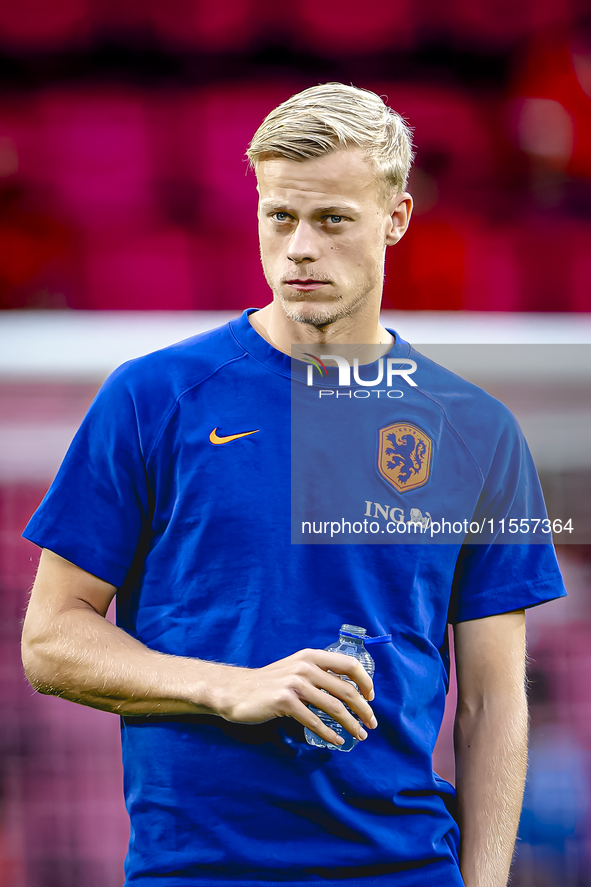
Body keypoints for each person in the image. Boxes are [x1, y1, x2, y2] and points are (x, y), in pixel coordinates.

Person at [21, 83, 567, 887]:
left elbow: (491, 701)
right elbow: (50, 640)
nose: (300, 248)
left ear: (396, 218)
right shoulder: (151, 398)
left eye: (332, 220)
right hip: (196, 871)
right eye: (279, 217)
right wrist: (228, 687)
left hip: (403, 868)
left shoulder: (476, 430)